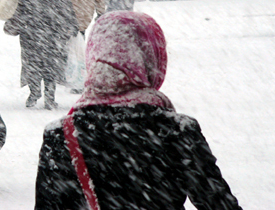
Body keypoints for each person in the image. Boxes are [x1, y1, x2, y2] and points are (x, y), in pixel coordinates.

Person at [35, 11, 243, 209]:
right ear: (151, 57)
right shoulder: (175, 130)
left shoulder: (62, 134)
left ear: (94, 55)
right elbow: (218, 203)